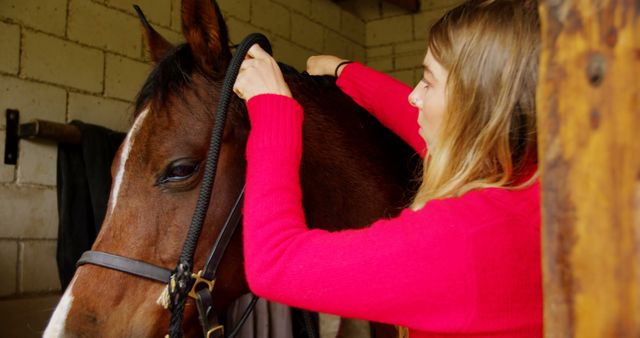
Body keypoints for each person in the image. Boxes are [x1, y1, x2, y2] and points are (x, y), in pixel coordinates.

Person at [232, 0, 541, 337]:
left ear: (475, 108)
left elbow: (274, 265)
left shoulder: (458, 241)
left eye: (428, 82)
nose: (414, 97)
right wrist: (345, 71)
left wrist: (272, 107)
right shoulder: (538, 189)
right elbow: (413, 119)